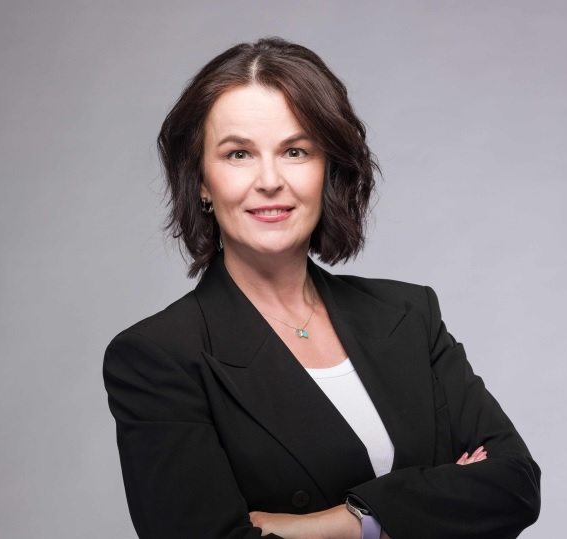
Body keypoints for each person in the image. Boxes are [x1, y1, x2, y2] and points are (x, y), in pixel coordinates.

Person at [103, 37, 541, 538]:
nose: (270, 180)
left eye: (295, 151)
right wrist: (437, 503)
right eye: (238, 154)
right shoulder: (158, 358)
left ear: (328, 167)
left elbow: (515, 484)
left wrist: (345, 522)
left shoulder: (407, 313)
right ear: (201, 180)